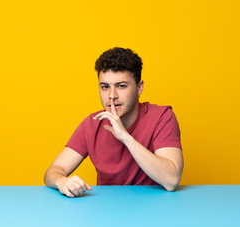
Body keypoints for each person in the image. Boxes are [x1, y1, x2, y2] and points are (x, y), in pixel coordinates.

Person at [44, 47, 184, 197]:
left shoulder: (162, 117)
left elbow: (171, 180)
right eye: (105, 87)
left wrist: (125, 137)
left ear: (139, 87)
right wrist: (62, 182)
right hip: (107, 210)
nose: (112, 95)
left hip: (154, 210)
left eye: (121, 86)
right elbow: (53, 171)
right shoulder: (91, 124)